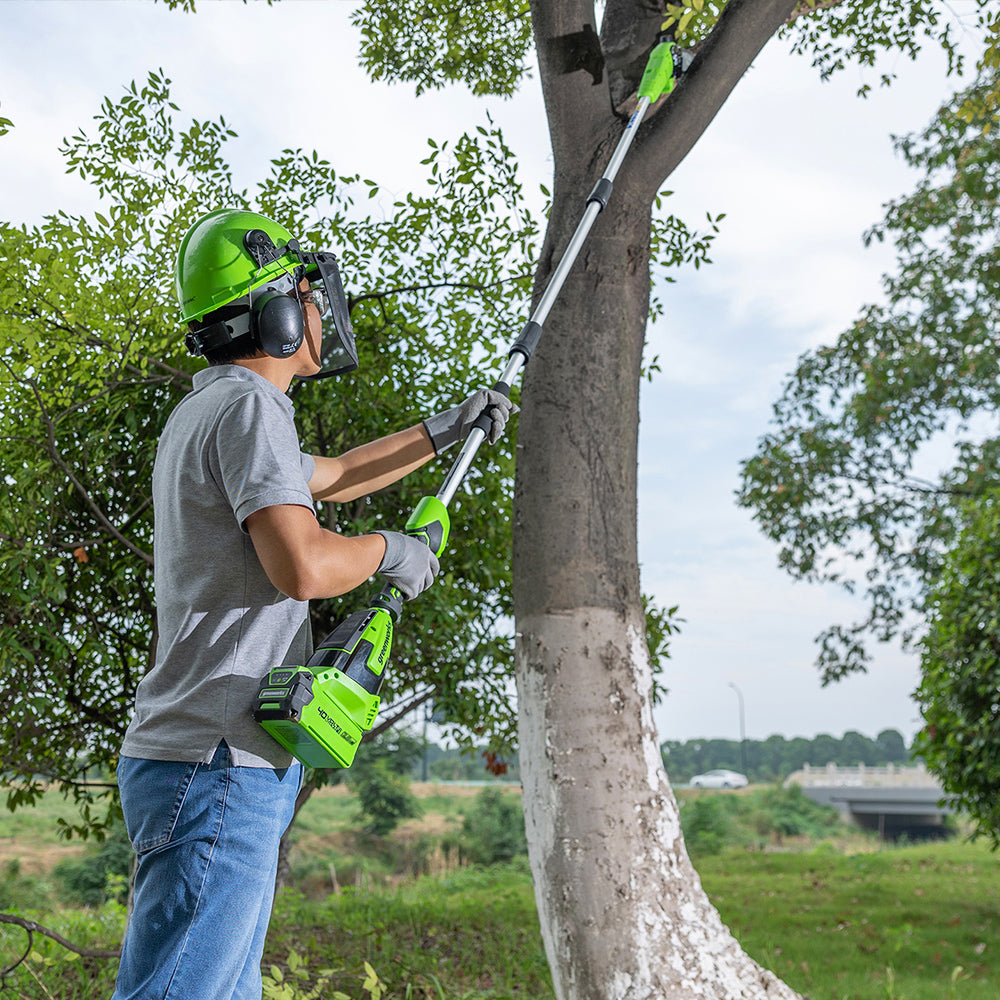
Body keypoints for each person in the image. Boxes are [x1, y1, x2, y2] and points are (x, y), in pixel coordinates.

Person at [111, 208, 514, 1000]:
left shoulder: (208, 410)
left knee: (212, 986)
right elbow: (303, 564)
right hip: (222, 759)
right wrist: (393, 553)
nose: (322, 310)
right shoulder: (249, 410)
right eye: (308, 293)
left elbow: (333, 474)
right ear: (280, 313)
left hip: (190, 755)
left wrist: (443, 431)